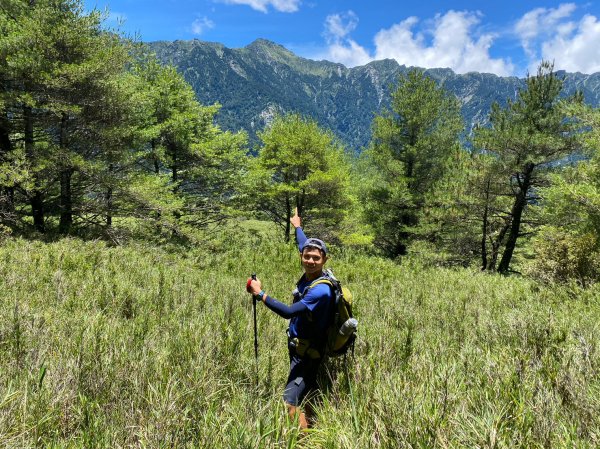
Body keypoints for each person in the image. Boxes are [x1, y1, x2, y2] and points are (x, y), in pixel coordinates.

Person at [246, 209, 334, 430]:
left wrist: (259, 293)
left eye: (316, 258)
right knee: (309, 390)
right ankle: (313, 427)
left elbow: (287, 311)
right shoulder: (311, 270)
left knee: (289, 402)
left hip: (307, 354)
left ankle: (303, 442)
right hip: (301, 348)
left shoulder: (320, 291)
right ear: (301, 256)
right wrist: (297, 226)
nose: (311, 261)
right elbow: (303, 243)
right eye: (307, 256)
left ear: (324, 259)